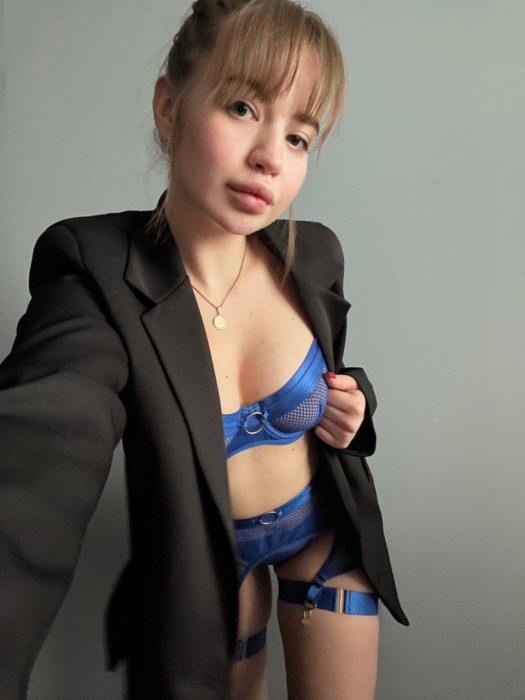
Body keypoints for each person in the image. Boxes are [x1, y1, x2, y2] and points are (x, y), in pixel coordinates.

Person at [0, 0, 409, 698]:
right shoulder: (95, 273)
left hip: (323, 537)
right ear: (169, 107)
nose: (270, 157)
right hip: (211, 567)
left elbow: (334, 372)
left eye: (298, 137)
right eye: (243, 108)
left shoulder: (313, 254)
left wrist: (354, 406)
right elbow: (38, 451)